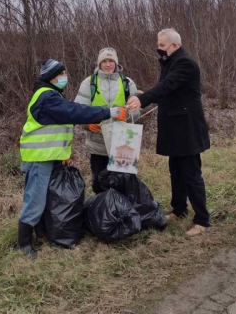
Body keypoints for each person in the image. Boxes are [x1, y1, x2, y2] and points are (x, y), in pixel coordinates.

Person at [18, 58, 128, 257]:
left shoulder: (51, 95)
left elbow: (59, 125)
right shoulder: (47, 97)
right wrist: (108, 112)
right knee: (35, 198)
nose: (65, 77)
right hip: (38, 157)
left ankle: (41, 231)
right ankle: (24, 242)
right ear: (52, 76)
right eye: (62, 74)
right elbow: (75, 111)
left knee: (44, 197)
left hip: (49, 156)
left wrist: (62, 155)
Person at [126, 29, 211, 236]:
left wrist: (144, 100)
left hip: (187, 129)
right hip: (175, 128)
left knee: (191, 174)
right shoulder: (170, 62)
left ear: (174, 46)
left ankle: (202, 220)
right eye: (158, 44)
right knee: (176, 171)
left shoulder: (185, 63)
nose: (159, 48)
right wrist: (148, 95)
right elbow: (169, 91)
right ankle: (179, 209)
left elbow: (167, 85)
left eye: (162, 45)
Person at [74, 48, 141, 193]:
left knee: (123, 184)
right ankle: (103, 213)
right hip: (97, 144)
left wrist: (128, 115)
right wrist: (87, 123)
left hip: (122, 144)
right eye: (104, 61)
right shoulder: (89, 83)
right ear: (99, 63)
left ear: (116, 63)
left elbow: (137, 111)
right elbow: (78, 110)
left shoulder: (127, 83)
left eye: (111, 61)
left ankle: (122, 213)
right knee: (99, 183)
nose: (108, 64)